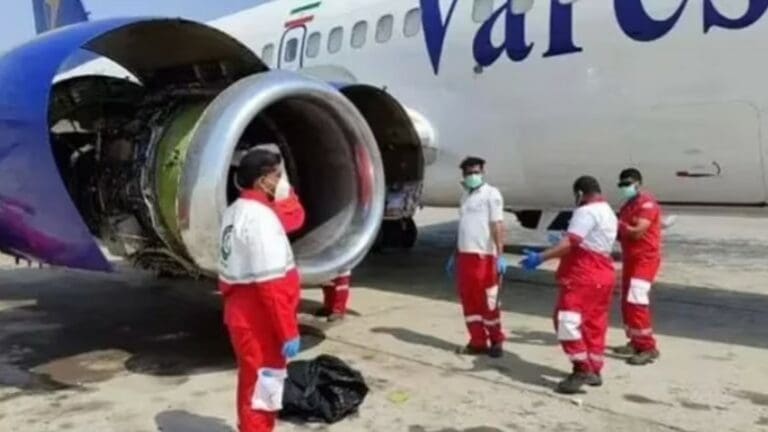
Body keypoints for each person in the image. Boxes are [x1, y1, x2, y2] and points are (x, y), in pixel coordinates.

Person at [218, 148, 306, 432]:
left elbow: (294, 218)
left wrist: (286, 198)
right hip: (261, 319)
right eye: (277, 176)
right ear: (262, 181)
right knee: (263, 389)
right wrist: (288, 330)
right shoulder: (261, 219)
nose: (281, 182)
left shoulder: (236, 211)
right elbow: (271, 286)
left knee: (251, 382)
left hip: (241, 313)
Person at [520, 176, 617, 394]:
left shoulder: (585, 212)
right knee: (594, 324)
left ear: (580, 194)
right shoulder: (608, 211)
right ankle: (594, 369)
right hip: (603, 274)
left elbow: (570, 243)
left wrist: (541, 257)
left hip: (584, 275)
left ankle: (581, 368)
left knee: (566, 321)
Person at [446, 156, 507, 358]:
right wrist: (455, 254)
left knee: (488, 301)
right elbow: (463, 227)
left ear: (482, 172)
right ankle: (477, 341)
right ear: (463, 175)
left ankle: (496, 340)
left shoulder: (491, 194)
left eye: (476, 172)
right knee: (469, 300)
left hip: (484, 257)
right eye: (469, 172)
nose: (473, 175)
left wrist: (500, 254)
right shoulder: (465, 197)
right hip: (465, 257)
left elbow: (496, 224)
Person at [613, 168, 662, 365]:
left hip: (645, 259)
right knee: (626, 301)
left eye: (627, 184)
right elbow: (621, 234)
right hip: (631, 259)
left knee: (636, 299)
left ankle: (648, 347)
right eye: (621, 184)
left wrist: (618, 225)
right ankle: (634, 340)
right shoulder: (627, 206)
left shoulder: (646, 204)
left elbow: (637, 232)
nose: (624, 187)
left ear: (637, 184)